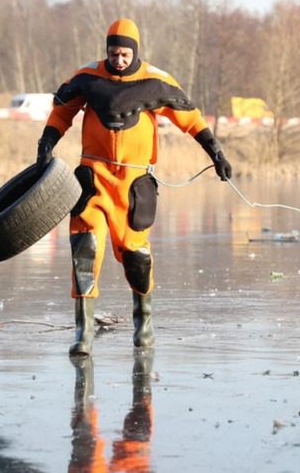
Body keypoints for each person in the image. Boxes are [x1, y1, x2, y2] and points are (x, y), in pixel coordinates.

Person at [36, 18, 232, 357]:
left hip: (132, 186)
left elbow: (191, 119)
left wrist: (216, 153)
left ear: (135, 51)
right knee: (85, 249)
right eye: (114, 53)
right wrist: (46, 143)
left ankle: (144, 320)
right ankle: (84, 332)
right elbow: (61, 113)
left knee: (136, 256)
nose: (119, 60)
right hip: (93, 180)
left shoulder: (156, 81)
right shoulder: (88, 76)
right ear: (107, 50)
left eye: (125, 54)